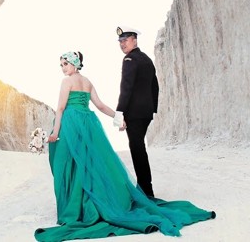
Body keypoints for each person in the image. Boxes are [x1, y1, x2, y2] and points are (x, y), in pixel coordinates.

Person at [35, 51, 215, 242]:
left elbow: (61, 108)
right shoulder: (87, 82)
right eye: (61, 65)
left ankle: (73, 209)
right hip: (88, 124)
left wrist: (55, 132)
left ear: (74, 64)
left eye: (65, 64)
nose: (63, 68)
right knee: (89, 164)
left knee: (68, 165)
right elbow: (101, 106)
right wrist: (118, 118)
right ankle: (83, 203)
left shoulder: (67, 82)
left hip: (71, 123)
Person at [114, 25, 159, 197]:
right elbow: (155, 86)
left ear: (134, 40)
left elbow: (126, 88)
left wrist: (120, 113)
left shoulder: (129, 60)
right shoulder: (146, 59)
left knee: (137, 149)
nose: (122, 44)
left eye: (125, 40)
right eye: (120, 41)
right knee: (139, 147)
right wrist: (152, 108)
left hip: (134, 114)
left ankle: (146, 190)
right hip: (146, 113)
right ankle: (146, 187)